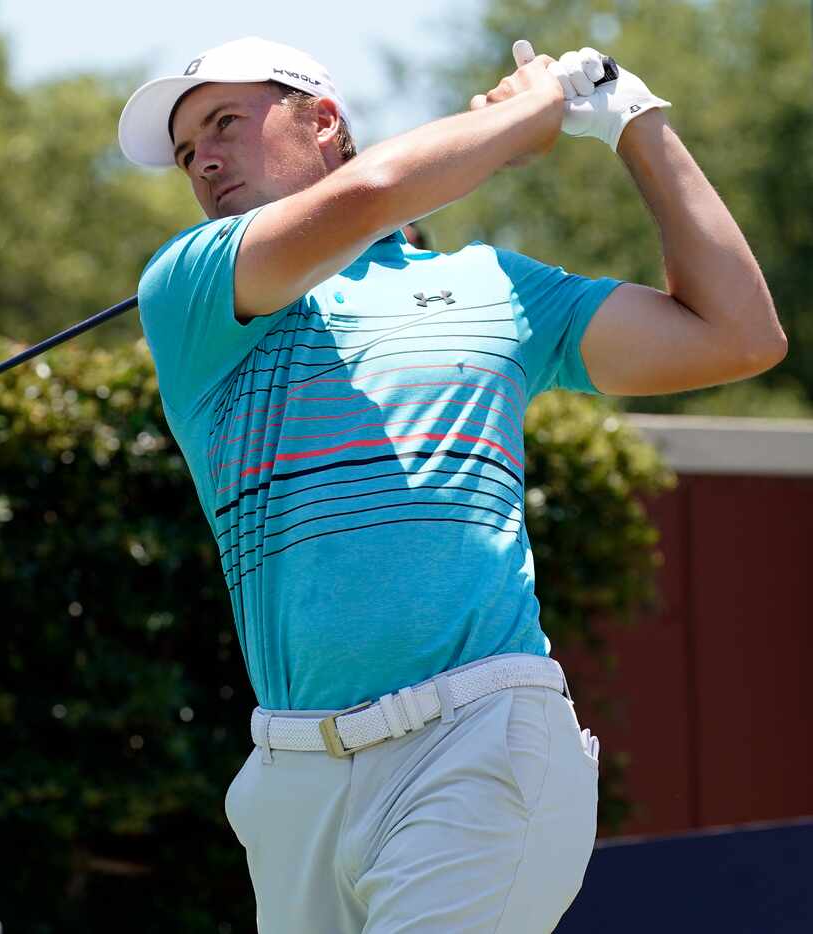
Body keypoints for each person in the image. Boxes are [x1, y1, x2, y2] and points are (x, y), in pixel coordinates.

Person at [117, 36, 785, 933]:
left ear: (322, 120)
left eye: (225, 121)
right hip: (293, 779)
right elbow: (371, 193)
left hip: (478, 736)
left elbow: (739, 335)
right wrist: (525, 119)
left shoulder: (497, 288)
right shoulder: (191, 287)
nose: (201, 157)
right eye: (187, 147)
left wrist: (634, 122)